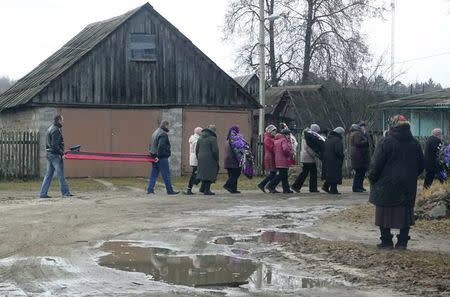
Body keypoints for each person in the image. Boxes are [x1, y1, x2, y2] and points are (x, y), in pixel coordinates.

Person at [368, 115, 424, 249]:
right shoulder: (415, 143)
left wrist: (372, 177)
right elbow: (421, 164)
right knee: (405, 213)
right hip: (407, 185)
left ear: (392, 126)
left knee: (384, 212)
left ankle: (386, 241)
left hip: (386, 185)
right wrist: (410, 176)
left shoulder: (385, 142)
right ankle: (402, 242)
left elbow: (376, 164)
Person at [39, 115, 73, 198]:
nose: (63, 122)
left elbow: (51, 145)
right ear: (59, 120)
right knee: (60, 173)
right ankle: (65, 193)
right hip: (55, 155)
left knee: (48, 175)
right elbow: (55, 146)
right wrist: (62, 154)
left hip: (50, 155)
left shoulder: (50, 128)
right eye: (62, 120)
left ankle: (43, 193)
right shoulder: (56, 130)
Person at [147, 121, 179, 195]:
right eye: (168, 126)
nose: (169, 127)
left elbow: (150, 144)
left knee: (154, 174)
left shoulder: (155, 132)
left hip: (154, 156)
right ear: (165, 125)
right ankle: (170, 191)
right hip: (161, 157)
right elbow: (161, 146)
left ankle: (150, 190)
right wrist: (158, 156)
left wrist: (153, 155)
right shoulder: (163, 134)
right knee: (166, 174)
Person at [291, 124, 322, 193]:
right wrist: (315, 154)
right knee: (313, 173)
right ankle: (312, 188)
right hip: (308, 158)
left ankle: (296, 186)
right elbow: (308, 148)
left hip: (306, 157)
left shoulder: (306, 136)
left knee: (304, 173)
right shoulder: (308, 137)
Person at [223, 125, 253, 193]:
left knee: (231, 174)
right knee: (236, 173)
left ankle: (233, 189)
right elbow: (239, 149)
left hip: (227, 159)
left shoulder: (228, 139)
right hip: (234, 159)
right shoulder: (235, 138)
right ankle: (227, 185)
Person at [267, 128, 294, 194]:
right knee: (282, 175)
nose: (289, 136)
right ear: (285, 135)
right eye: (288, 134)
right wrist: (290, 153)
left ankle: (286, 189)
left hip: (278, 160)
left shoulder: (276, 140)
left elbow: (274, 150)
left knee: (284, 176)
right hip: (283, 160)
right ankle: (271, 185)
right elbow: (285, 149)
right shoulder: (284, 140)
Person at [196, 124, 219, 195]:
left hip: (200, 157)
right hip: (210, 157)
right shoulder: (213, 139)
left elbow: (196, 149)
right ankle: (207, 190)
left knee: (203, 173)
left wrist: (198, 157)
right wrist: (216, 159)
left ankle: (202, 188)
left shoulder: (200, 138)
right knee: (209, 173)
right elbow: (215, 150)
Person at [322, 127, 345, 195]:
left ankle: (326, 186)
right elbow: (338, 151)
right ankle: (333, 190)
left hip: (327, 159)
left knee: (330, 174)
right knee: (335, 175)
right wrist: (342, 156)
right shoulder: (337, 140)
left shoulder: (328, 138)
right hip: (335, 160)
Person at [350, 121, 370, 192]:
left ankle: (359, 186)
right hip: (358, 156)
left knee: (361, 172)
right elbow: (358, 143)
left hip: (360, 155)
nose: (363, 127)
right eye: (362, 126)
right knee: (359, 172)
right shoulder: (357, 133)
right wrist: (366, 141)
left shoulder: (358, 133)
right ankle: (356, 187)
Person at [257, 124, 277, 192]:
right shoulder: (267, 138)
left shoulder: (272, 138)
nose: (275, 132)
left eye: (275, 131)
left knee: (273, 173)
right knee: (273, 173)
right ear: (270, 131)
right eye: (273, 131)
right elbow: (271, 147)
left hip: (272, 156)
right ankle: (263, 184)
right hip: (270, 157)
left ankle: (270, 187)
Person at [183, 127, 203, 195]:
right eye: (201, 131)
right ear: (198, 132)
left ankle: (193, 186)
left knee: (196, 173)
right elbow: (196, 150)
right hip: (196, 159)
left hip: (193, 158)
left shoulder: (193, 138)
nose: (202, 133)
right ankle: (190, 188)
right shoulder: (196, 140)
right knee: (195, 174)